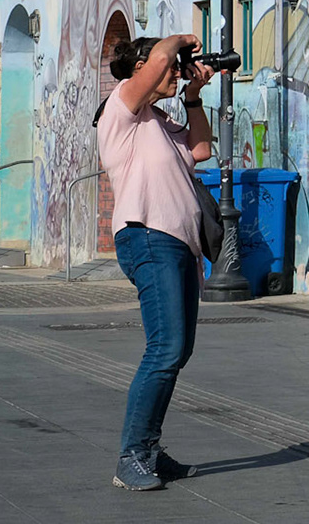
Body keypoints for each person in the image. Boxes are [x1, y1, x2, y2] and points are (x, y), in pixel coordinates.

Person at [96, 33, 214, 491]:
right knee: (165, 348)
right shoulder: (122, 109)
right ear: (142, 68)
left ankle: (148, 449)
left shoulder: (161, 122)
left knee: (178, 351)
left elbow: (200, 150)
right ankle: (131, 456)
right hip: (148, 236)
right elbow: (161, 56)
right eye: (171, 66)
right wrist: (182, 40)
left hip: (181, 244)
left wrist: (194, 96)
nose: (176, 71)